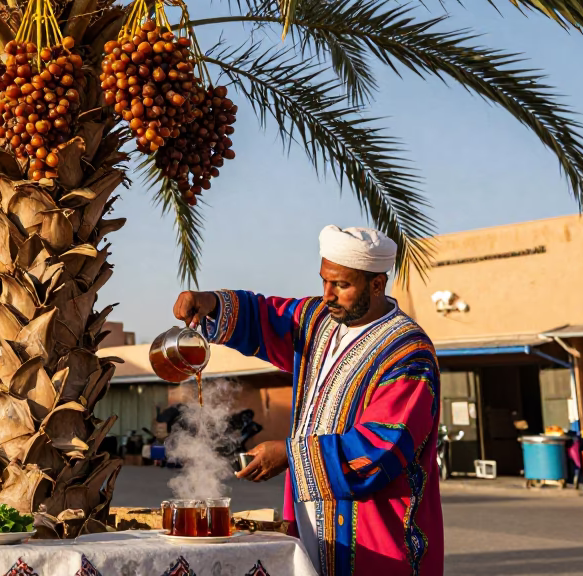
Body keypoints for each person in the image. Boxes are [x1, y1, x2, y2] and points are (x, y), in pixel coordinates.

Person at [173, 225, 443, 576]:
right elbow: (265, 316)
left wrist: (290, 455)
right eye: (323, 281)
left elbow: (382, 445)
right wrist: (209, 302)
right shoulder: (319, 321)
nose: (327, 294)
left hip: (377, 539)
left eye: (341, 285)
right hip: (308, 527)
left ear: (377, 285)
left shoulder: (408, 354)